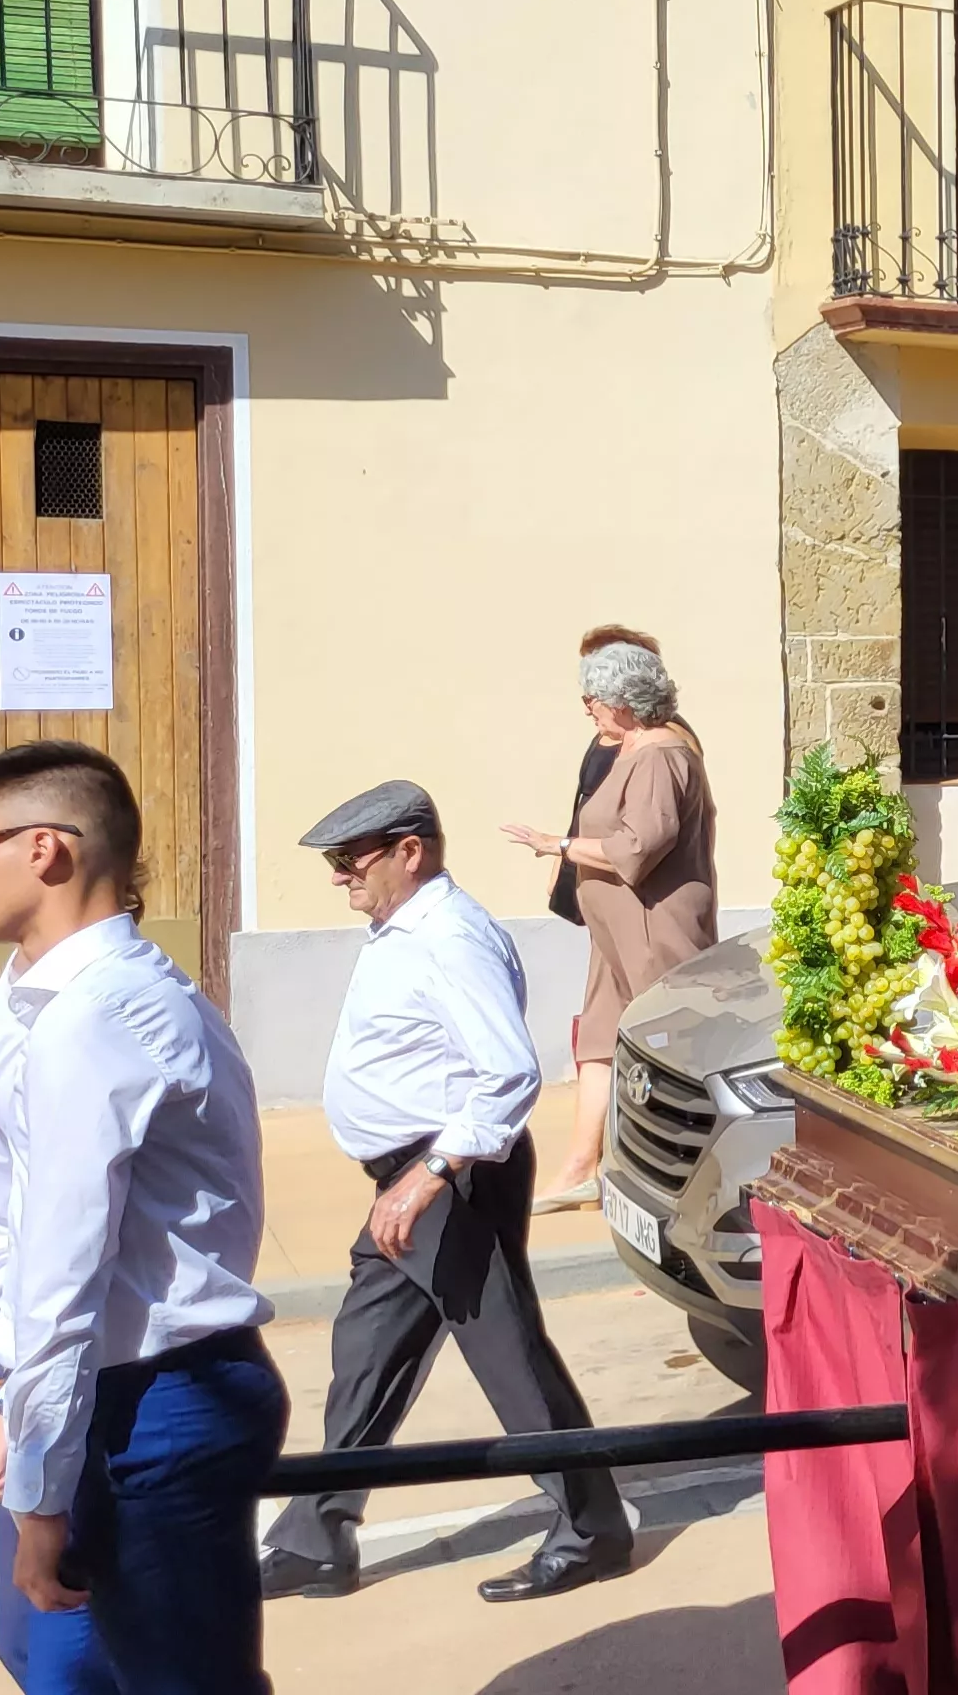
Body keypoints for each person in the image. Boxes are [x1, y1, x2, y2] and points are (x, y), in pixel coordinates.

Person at [0, 741, 285, 1692]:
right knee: (49, 1664)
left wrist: (41, 1498)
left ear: (44, 849)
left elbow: (64, 1265)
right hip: (62, 1396)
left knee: (173, 1682)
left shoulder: (110, 1014)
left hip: (157, 1402)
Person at [259, 781, 631, 1605]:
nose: (338, 876)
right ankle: (317, 1537)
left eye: (349, 859)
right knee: (365, 1355)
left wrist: (427, 1179)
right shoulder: (402, 930)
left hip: (448, 1179)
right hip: (410, 1181)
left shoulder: (450, 938)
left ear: (409, 850)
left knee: (510, 1357)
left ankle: (590, 1527)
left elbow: (509, 1073)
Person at [503, 640, 716, 1206]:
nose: (586, 706)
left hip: (653, 928)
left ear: (623, 699)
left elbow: (640, 844)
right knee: (598, 1042)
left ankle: (685, 1169)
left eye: (593, 696)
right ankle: (580, 1169)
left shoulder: (661, 754)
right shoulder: (628, 748)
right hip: (615, 932)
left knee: (671, 1044)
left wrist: (562, 846)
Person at [545, 624, 676, 936]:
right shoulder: (607, 736)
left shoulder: (657, 743)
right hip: (592, 880)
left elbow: (642, 838)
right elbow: (585, 805)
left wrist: (562, 848)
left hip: (634, 902)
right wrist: (561, 867)